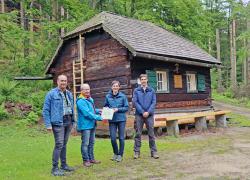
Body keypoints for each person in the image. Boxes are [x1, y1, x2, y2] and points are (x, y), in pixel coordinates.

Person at [42, 74, 75, 176]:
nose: (63, 83)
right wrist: (48, 124)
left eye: (65, 81)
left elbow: (72, 108)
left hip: (68, 121)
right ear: (57, 82)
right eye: (61, 81)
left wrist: (73, 121)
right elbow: (46, 110)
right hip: (58, 122)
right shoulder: (51, 94)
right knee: (59, 144)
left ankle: (64, 165)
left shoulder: (69, 94)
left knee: (64, 144)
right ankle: (55, 168)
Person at [133, 74, 159, 159]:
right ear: (140, 81)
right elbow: (135, 102)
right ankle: (137, 152)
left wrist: (148, 112)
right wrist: (142, 111)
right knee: (138, 134)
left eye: (145, 79)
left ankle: (154, 152)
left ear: (147, 80)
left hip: (149, 115)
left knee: (151, 134)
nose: (143, 81)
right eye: (142, 79)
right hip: (139, 115)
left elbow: (154, 102)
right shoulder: (136, 90)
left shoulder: (151, 90)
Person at [76, 83, 103, 167]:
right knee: (85, 143)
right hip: (85, 126)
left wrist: (101, 111)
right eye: (85, 89)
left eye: (88, 89)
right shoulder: (80, 101)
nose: (87, 91)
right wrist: (99, 117)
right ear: (81, 91)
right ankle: (86, 160)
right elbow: (87, 113)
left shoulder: (90, 99)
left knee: (91, 143)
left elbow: (92, 110)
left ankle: (91, 159)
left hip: (92, 124)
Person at [104, 81, 129, 162]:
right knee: (113, 138)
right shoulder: (108, 96)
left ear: (119, 87)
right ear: (112, 87)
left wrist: (118, 109)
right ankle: (115, 153)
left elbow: (126, 107)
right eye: (114, 86)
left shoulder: (123, 96)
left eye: (117, 86)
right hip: (112, 120)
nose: (115, 87)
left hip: (121, 119)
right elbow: (106, 106)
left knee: (121, 138)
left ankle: (120, 155)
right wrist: (107, 109)